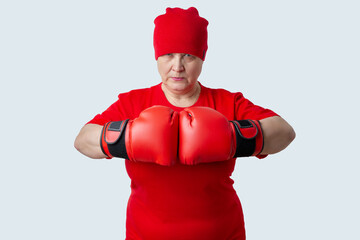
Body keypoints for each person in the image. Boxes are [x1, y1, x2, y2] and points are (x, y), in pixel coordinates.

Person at [74, 7, 295, 240]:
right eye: (168, 54)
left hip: (222, 233)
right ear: (157, 56)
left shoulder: (227, 102)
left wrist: (231, 137)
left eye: (188, 55)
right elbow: (82, 140)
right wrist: (127, 139)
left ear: (202, 57)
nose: (177, 66)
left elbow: (284, 132)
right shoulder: (133, 102)